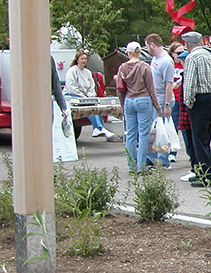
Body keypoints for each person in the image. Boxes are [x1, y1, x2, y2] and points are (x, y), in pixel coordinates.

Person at [182, 31, 211, 187]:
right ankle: (201, 171)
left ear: (187, 44)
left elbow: (190, 83)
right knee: (205, 137)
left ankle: (206, 177)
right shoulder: (210, 56)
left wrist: (188, 102)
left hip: (200, 99)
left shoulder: (192, 58)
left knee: (198, 140)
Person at [116, 41, 163, 174]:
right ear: (139, 52)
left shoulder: (122, 68)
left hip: (129, 100)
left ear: (128, 53)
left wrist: (122, 104)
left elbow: (119, 89)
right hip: (143, 100)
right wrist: (158, 107)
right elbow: (151, 89)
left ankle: (131, 165)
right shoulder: (144, 67)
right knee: (143, 134)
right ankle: (142, 166)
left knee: (130, 134)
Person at [63, 49, 116, 139]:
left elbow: (91, 86)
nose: (84, 60)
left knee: (94, 105)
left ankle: (99, 128)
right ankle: (99, 127)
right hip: (71, 95)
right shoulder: (72, 71)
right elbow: (72, 88)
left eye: (85, 59)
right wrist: (83, 96)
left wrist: (90, 95)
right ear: (77, 60)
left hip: (85, 96)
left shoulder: (88, 72)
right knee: (87, 104)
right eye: (82, 58)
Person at [144, 33, 175, 169]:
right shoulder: (155, 59)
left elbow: (169, 84)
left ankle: (164, 160)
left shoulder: (166, 61)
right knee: (152, 131)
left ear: (152, 45)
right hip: (154, 100)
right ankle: (151, 158)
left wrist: (167, 104)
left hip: (163, 100)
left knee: (162, 132)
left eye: (147, 46)